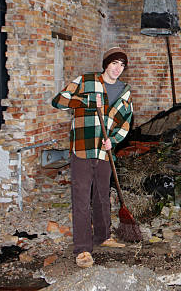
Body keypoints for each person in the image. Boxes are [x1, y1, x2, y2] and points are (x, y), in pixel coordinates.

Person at [51, 47, 133, 268]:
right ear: (106, 64)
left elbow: (126, 123)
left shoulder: (124, 91)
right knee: (81, 200)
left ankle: (103, 237)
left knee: (102, 196)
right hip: (82, 149)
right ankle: (82, 249)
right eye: (114, 63)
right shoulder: (86, 81)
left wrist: (113, 140)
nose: (117, 69)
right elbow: (58, 101)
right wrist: (86, 103)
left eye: (122, 65)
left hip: (104, 151)